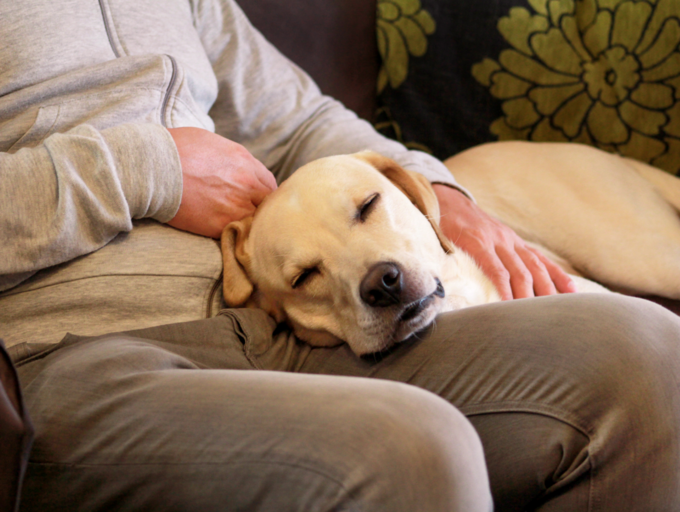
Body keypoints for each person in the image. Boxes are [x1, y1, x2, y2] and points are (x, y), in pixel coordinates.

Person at [2, 0, 680, 510]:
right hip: (77, 360)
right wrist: (145, 170)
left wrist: (443, 192)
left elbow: (298, 126)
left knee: (649, 356)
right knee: (411, 450)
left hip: (281, 325)